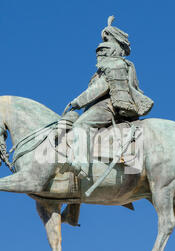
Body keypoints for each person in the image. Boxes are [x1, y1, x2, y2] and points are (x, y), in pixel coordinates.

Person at [66, 16, 154, 177]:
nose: (99, 54)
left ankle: (81, 165)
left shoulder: (113, 64)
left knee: (81, 125)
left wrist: (76, 102)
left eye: (103, 50)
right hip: (105, 105)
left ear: (113, 49)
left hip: (108, 106)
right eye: (99, 51)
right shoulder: (112, 65)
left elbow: (101, 87)